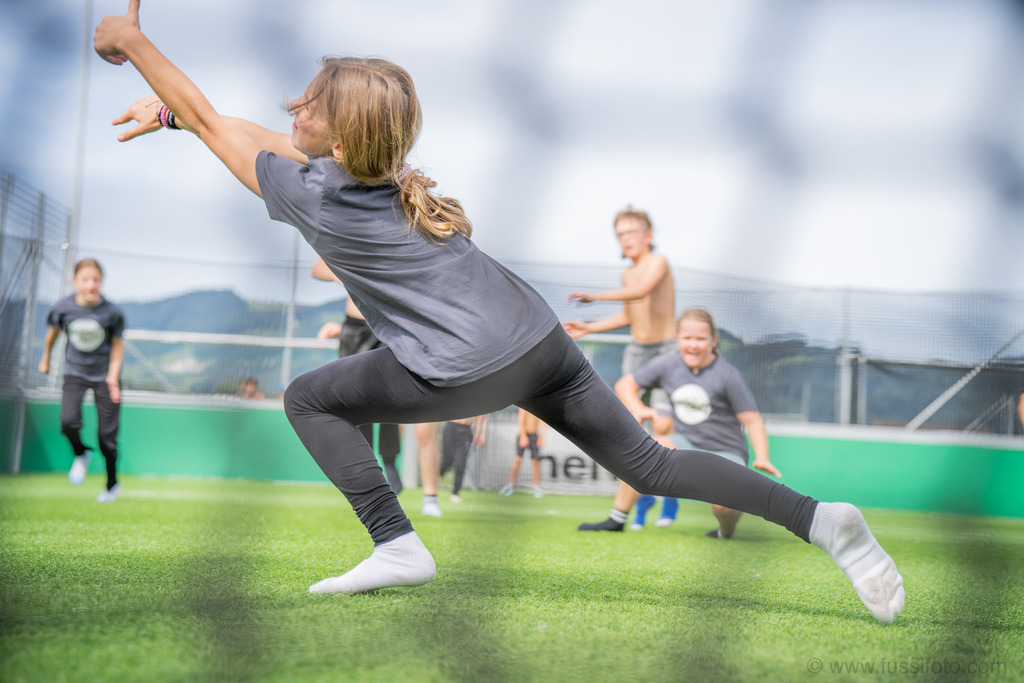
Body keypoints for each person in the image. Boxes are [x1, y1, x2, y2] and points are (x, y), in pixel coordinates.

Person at [94, 4, 905, 624]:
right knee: (651, 467)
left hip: (468, 366)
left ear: (339, 138)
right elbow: (235, 127)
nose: (290, 107)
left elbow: (213, 121)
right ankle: (822, 519)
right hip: (540, 340)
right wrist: (167, 116)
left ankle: (397, 544)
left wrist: (131, 45)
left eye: (306, 104)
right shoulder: (373, 174)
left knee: (308, 395)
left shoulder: (318, 198)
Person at [580, 309, 782, 539]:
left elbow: (752, 420)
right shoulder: (669, 366)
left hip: (726, 451)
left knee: (724, 507)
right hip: (686, 443)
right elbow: (625, 384)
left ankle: (725, 531)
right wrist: (638, 407)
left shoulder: (727, 375)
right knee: (643, 451)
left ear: (713, 341)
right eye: (687, 338)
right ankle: (617, 519)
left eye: (700, 339)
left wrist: (762, 456)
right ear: (678, 339)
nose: (693, 345)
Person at [563, 206, 679, 523]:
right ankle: (621, 514)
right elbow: (629, 316)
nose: (625, 239)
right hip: (637, 352)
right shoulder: (626, 272)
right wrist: (590, 327)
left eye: (630, 232)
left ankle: (670, 496)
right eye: (620, 234)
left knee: (662, 428)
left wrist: (595, 297)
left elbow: (642, 292)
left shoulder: (659, 262)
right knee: (630, 433)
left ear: (648, 235)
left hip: (666, 353)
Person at [38, 258, 125, 502]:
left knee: (107, 438)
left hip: (105, 377)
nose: (91, 284)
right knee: (68, 422)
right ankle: (81, 452)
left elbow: (118, 346)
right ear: (75, 281)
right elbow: (52, 334)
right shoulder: (63, 308)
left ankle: (111, 485)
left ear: (101, 281)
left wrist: (113, 377)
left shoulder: (112, 313)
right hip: (74, 372)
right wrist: (45, 359)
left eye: (95, 279)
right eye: (85, 279)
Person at [312, 258, 402, 494]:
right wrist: (341, 273)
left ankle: (390, 460)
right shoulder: (350, 235)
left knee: (390, 398)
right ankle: (369, 470)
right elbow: (317, 268)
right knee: (356, 403)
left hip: (386, 325)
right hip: (354, 328)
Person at [440, 414, 488, 503]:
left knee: (460, 464)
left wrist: (481, 433)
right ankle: (435, 479)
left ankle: (455, 493)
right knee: (447, 462)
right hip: (451, 427)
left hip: (466, 431)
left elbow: (483, 415)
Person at [500, 408, 546, 497]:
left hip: (534, 436)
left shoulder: (538, 406)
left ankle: (537, 487)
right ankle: (509, 485)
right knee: (518, 460)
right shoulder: (525, 406)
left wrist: (541, 437)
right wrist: (523, 435)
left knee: (535, 461)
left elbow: (542, 423)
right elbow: (521, 420)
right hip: (523, 434)